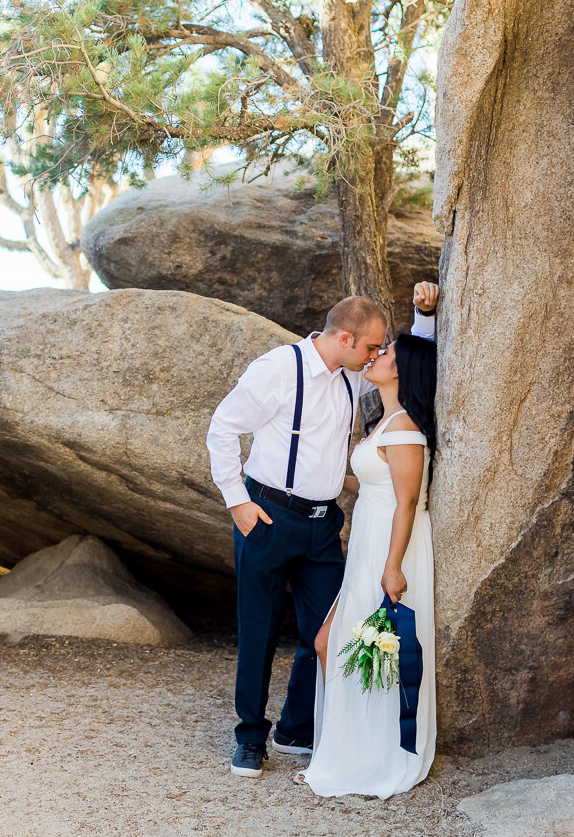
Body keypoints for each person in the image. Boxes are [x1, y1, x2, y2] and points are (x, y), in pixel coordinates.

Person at [206, 283, 438, 778]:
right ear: (346, 338)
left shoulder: (356, 377)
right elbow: (223, 428)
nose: (377, 354)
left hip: (321, 526)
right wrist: (237, 504)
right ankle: (250, 737)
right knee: (259, 630)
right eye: (373, 346)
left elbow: (411, 370)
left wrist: (424, 320)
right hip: (266, 517)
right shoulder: (278, 369)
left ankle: (297, 727)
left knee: (327, 633)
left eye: (380, 350)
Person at [295, 327, 438, 797]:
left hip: (387, 549)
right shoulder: (386, 419)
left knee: (353, 648)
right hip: (367, 548)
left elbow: (407, 500)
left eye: (387, 351)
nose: (376, 355)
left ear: (402, 369)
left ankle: (370, 758)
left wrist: (393, 566)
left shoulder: (406, 429)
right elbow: (373, 483)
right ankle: (346, 751)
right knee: (332, 644)